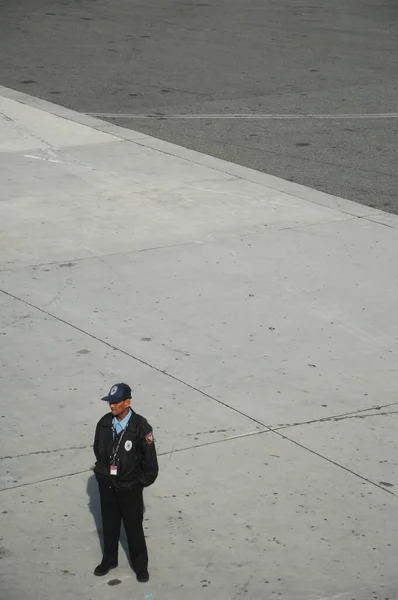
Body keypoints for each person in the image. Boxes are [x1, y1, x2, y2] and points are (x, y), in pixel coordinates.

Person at [93, 382, 158, 582]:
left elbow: (150, 463)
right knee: (109, 525)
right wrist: (104, 475)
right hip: (108, 486)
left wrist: (137, 483)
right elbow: (98, 449)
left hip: (130, 488)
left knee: (134, 528)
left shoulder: (140, 426)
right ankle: (109, 559)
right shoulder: (104, 423)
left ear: (127, 402)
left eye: (116, 402)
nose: (112, 406)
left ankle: (140, 566)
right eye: (110, 402)